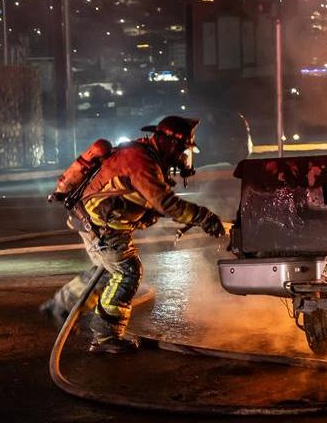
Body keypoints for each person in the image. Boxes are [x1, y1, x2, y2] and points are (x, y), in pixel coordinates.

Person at [40, 116, 227, 353]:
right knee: (128, 272)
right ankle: (106, 336)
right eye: (181, 149)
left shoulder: (145, 155)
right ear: (168, 142)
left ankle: (59, 307)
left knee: (108, 271)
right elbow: (165, 203)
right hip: (102, 225)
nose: (182, 156)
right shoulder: (141, 162)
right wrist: (203, 217)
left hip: (92, 219)